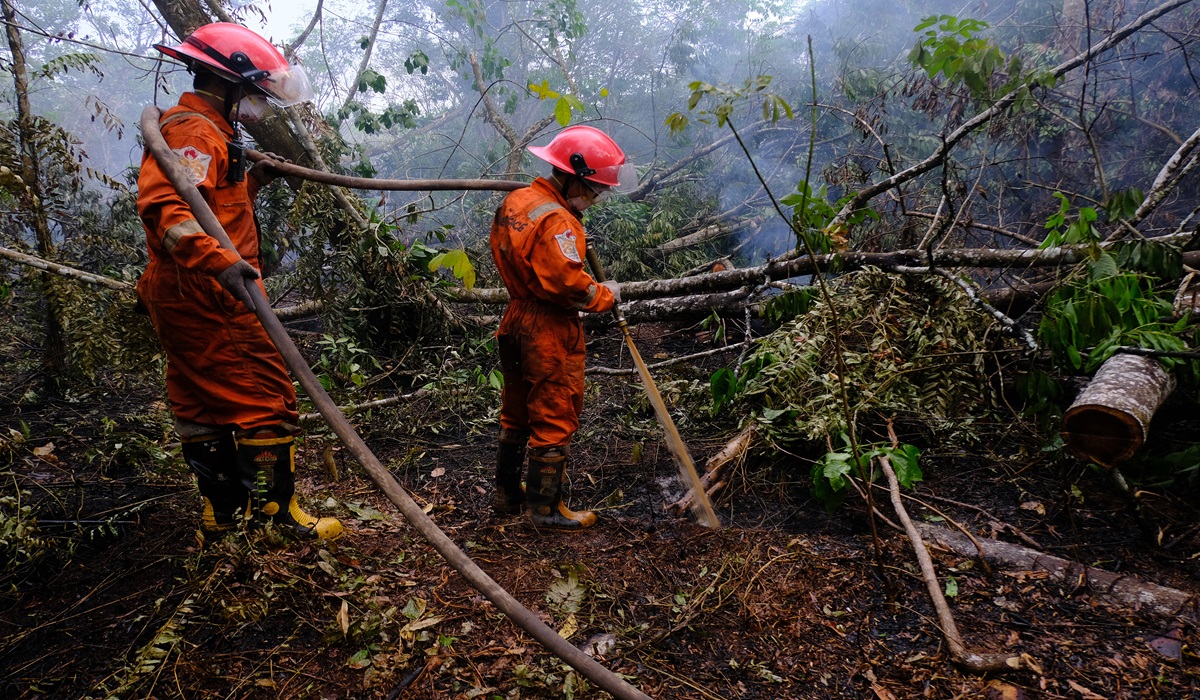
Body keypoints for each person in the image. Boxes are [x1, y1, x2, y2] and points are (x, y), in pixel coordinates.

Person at [137, 23, 341, 540]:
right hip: (211, 290)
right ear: (227, 83)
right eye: (254, 92)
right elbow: (168, 214)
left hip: (185, 288)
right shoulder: (196, 132)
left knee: (198, 401)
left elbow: (211, 207)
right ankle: (276, 517)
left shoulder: (207, 130)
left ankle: (222, 517)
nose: (258, 105)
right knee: (265, 394)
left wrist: (253, 181)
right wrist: (222, 267)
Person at [489, 125, 637, 530]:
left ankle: (506, 493)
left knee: (517, 408)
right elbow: (568, 286)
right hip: (548, 327)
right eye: (595, 190)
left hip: (516, 316)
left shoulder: (518, 201)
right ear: (574, 177)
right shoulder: (558, 220)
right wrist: (606, 294)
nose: (595, 198)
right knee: (555, 409)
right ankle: (545, 510)